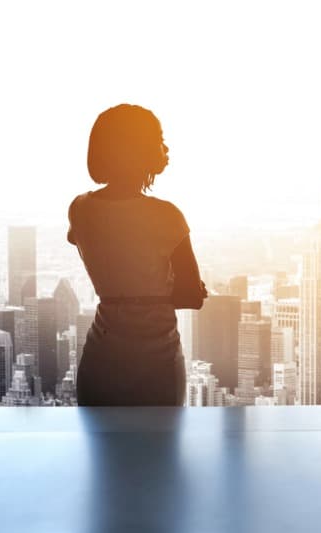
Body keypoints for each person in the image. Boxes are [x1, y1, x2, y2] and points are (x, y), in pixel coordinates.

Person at [67, 104, 207, 406]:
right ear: (137, 148)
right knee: (160, 449)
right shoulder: (167, 217)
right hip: (157, 359)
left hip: (101, 355)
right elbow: (192, 296)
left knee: (102, 449)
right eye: (159, 138)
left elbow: (79, 239)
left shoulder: (79, 208)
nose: (166, 147)